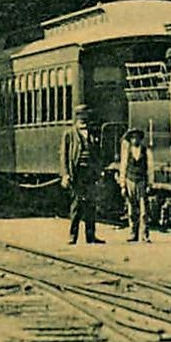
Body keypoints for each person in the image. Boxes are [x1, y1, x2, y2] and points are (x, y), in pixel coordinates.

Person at [59, 104, 104, 245]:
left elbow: (97, 154)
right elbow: (64, 156)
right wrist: (65, 174)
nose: (83, 120)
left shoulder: (92, 133)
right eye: (80, 117)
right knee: (76, 207)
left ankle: (91, 237)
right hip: (77, 174)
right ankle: (73, 236)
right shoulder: (69, 134)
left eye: (85, 117)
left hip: (90, 174)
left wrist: (99, 170)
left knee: (91, 207)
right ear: (76, 118)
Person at [118, 127, 151, 243]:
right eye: (132, 138)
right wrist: (122, 185)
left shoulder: (146, 151)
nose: (135, 140)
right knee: (132, 210)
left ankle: (145, 235)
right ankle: (133, 233)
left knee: (144, 212)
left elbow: (149, 168)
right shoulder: (127, 152)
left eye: (137, 137)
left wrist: (149, 184)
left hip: (141, 181)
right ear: (130, 139)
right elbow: (123, 167)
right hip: (130, 180)